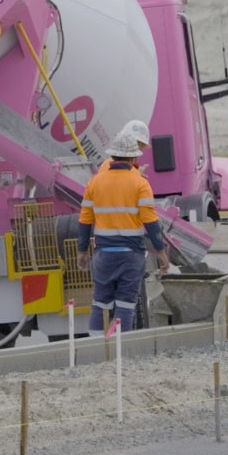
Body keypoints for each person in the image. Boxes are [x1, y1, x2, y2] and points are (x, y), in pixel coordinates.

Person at [77, 133, 170, 334]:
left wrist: (82, 252)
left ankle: (95, 351)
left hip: (104, 256)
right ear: (133, 158)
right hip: (131, 256)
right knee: (126, 306)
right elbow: (151, 222)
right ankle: (123, 352)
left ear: (113, 156)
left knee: (100, 304)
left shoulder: (95, 182)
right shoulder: (140, 183)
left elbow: (85, 220)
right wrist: (161, 253)